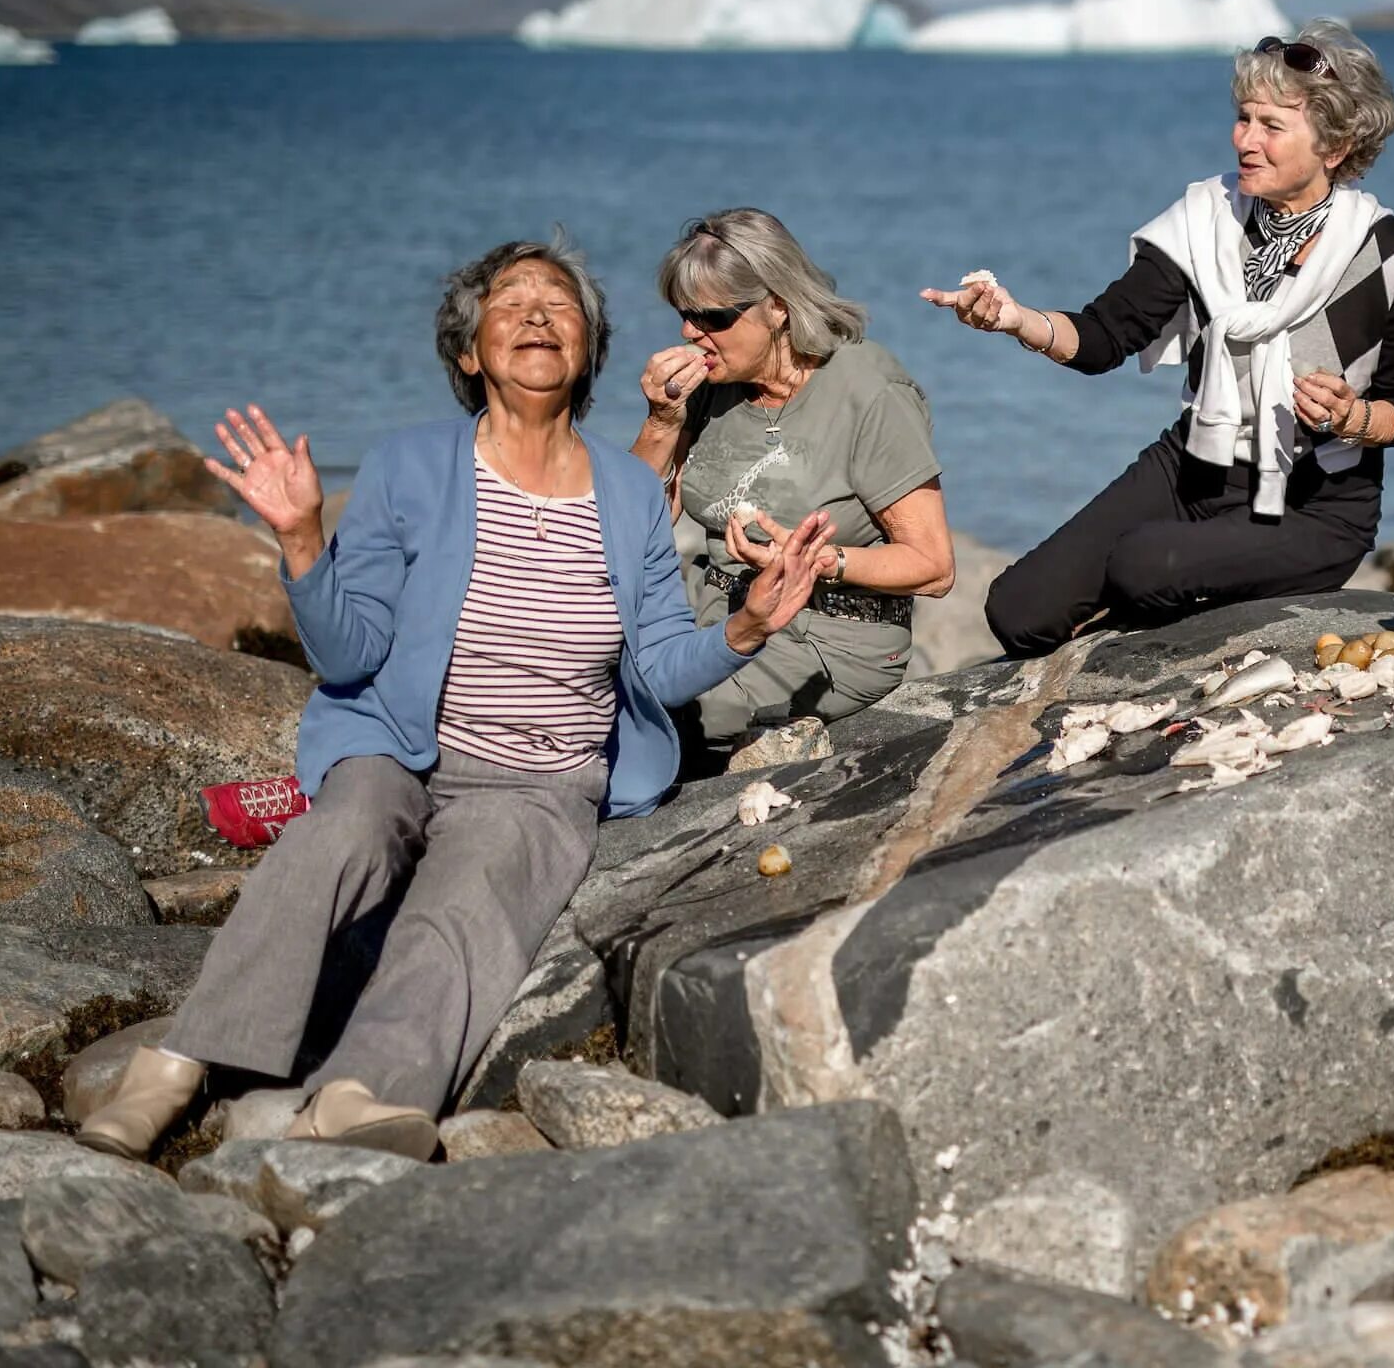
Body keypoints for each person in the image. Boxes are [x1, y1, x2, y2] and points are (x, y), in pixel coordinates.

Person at [78, 236, 832, 1161]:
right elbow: (347, 652)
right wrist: (304, 538)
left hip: (542, 778)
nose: (535, 314)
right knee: (341, 832)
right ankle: (174, 1065)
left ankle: (358, 1094)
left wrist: (748, 628)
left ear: (587, 352)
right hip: (399, 745)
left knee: (472, 894)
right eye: (509, 302)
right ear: (470, 352)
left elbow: (661, 665)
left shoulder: (632, 492)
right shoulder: (410, 466)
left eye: (559, 304)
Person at [921, 18, 1394, 656]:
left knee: (1145, 568)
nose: (1245, 140)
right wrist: (1016, 319)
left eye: (1272, 126)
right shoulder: (1203, 219)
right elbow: (1107, 336)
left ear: (1334, 148)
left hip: (1317, 504)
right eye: (1244, 117)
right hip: (1191, 464)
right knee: (1018, 610)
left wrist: (1354, 416)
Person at [632, 209, 952, 749]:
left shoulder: (870, 393)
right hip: (715, 610)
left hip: (827, 635)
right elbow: (632, 522)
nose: (691, 333)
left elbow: (934, 566)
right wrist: (661, 422)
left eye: (712, 318)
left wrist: (816, 563)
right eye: (684, 316)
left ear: (777, 306)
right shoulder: (713, 384)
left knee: (648, 713)